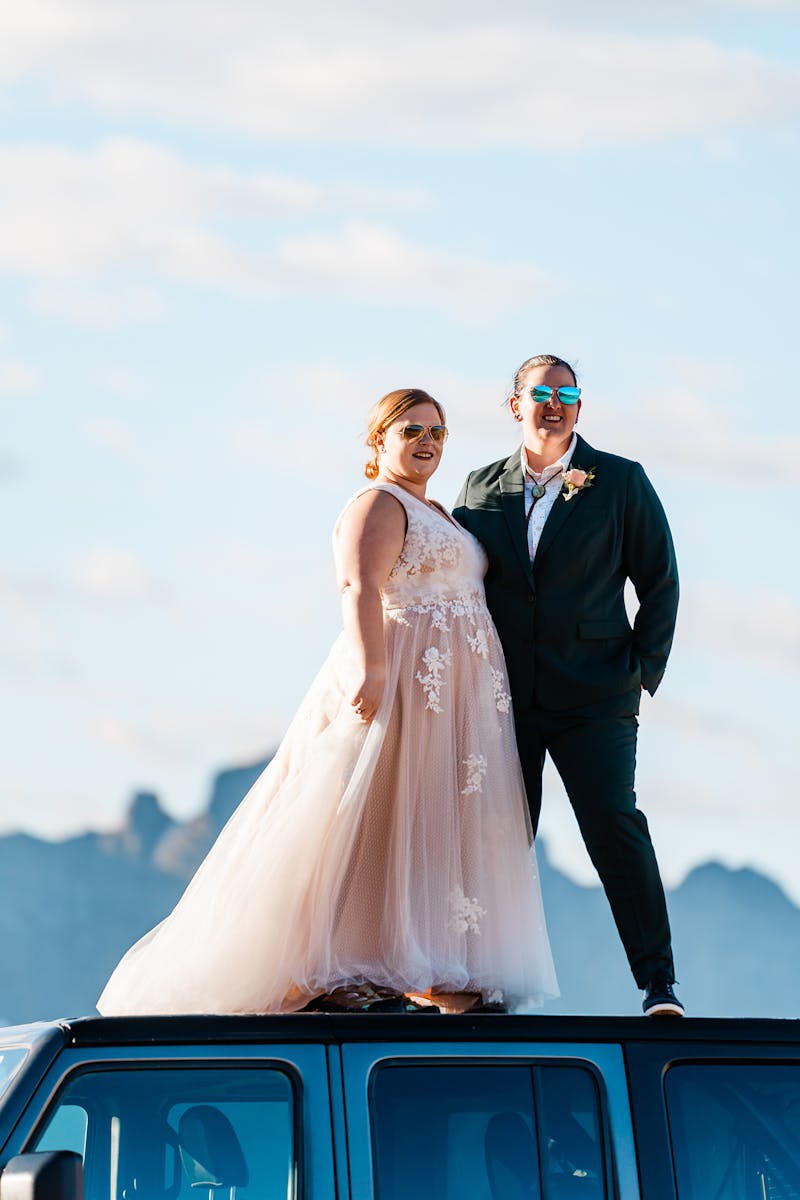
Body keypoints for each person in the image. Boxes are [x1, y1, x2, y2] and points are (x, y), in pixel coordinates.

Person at [97, 388, 558, 1016]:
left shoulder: (443, 514)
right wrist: (372, 669)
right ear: (379, 440)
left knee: (427, 824)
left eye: (437, 433)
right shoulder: (377, 503)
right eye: (412, 430)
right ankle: (342, 969)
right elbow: (359, 586)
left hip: (452, 701)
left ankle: (434, 965)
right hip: (398, 681)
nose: (428, 443)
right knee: (371, 814)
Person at [453, 355, 682, 1017]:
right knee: (496, 837)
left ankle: (658, 985)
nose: (555, 403)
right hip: (504, 701)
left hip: (596, 699)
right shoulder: (477, 488)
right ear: (515, 405)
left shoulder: (620, 482)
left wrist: (640, 672)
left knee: (614, 827)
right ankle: (482, 982)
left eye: (567, 393)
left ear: (579, 407)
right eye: (541, 393)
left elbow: (660, 581)